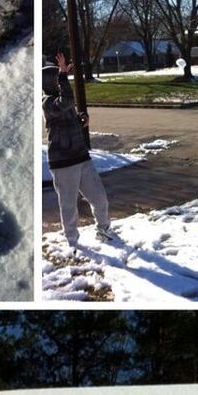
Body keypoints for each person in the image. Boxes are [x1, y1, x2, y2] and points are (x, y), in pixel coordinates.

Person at [43, 53, 119, 250]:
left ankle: (104, 229)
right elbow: (65, 103)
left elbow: (69, 112)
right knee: (69, 206)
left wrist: (82, 117)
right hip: (63, 163)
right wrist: (63, 75)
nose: (58, 81)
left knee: (100, 199)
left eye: (57, 77)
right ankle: (73, 243)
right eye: (55, 78)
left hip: (81, 157)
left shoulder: (60, 98)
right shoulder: (47, 102)